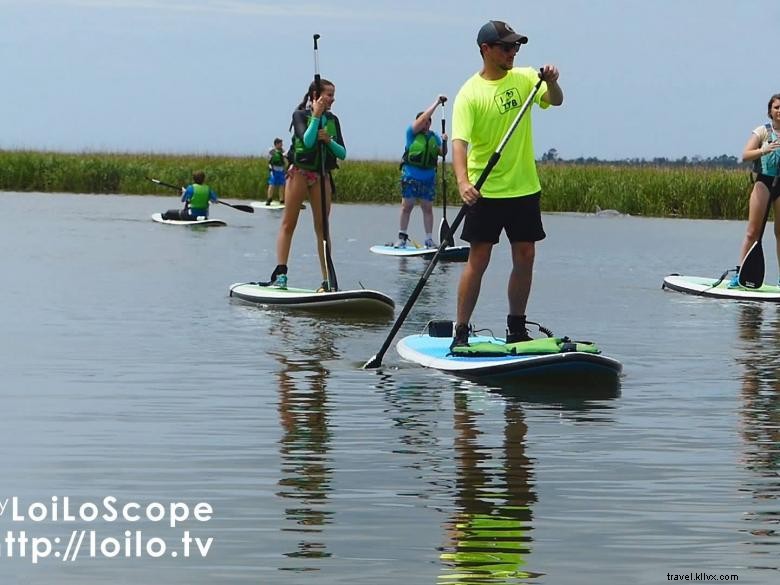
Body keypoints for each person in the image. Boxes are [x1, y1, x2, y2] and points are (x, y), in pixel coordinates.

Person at [450, 20, 563, 348]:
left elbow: (554, 100)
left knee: (525, 255)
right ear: (486, 50)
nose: (513, 52)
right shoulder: (469, 93)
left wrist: (553, 82)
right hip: (485, 190)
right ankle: (461, 330)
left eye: (516, 46)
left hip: (524, 187)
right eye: (506, 47)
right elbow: (459, 144)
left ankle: (516, 326)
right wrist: (462, 181)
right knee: (479, 259)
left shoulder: (528, 77)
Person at [267, 78, 346, 292]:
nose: (332, 99)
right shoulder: (300, 115)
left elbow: (343, 153)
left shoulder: (333, 120)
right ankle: (281, 274)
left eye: (333, 94)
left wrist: (329, 141)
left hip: (322, 175)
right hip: (300, 173)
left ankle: (327, 279)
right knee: (288, 223)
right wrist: (316, 117)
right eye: (328, 94)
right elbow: (308, 141)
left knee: (323, 228)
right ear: (315, 95)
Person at [728, 93, 780, 288]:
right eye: (776, 107)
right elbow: (745, 155)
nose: (779, 111)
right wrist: (763, 150)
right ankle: (739, 274)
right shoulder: (762, 131)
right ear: (770, 111)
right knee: (753, 232)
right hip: (764, 183)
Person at [395, 96, 448, 249]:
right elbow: (423, 117)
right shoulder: (411, 134)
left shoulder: (434, 137)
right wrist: (437, 103)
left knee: (427, 208)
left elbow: (442, 153)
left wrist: (444, 142)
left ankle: (429, 239)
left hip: (428, 178)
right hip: (411, 176)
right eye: (423, 121)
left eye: (428, 121)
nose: (426, 123)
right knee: (407, 207)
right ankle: (402, 237)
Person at [265, 137, 287, 206]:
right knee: (272, 185)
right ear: (276, 144)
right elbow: (269, 161)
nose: (282, 144)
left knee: (282, 185)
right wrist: (271, 169)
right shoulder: (272, 151)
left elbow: (285, 160)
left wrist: (285, 169)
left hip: (281, 171)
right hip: (274, 171)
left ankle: (281, 200)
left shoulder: (283, 151)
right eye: (280, 143)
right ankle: (269, 199)